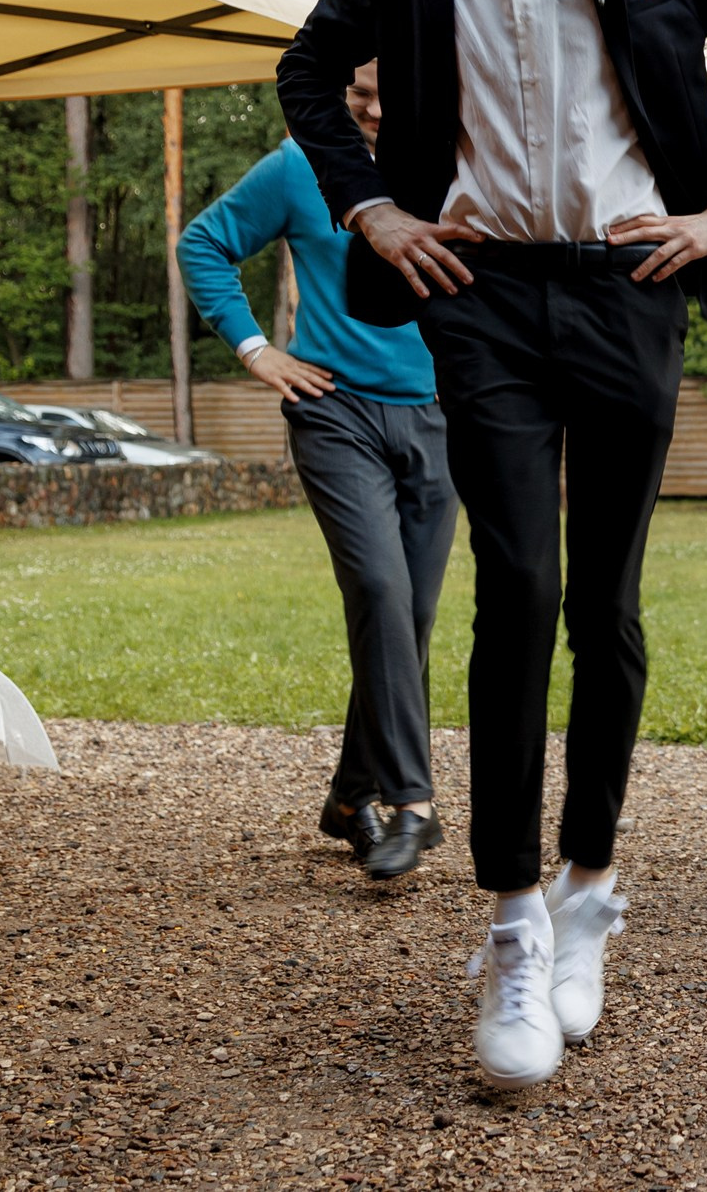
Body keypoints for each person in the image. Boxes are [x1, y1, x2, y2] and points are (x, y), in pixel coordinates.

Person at [274, 0, 707, 1091]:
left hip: (631, 282)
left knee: (607, 604)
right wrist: (376, 209)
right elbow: (305, 74)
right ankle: (513, 921)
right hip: (480, 290)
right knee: (516, 584)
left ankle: (590, 888)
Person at [178, 63, 455, 882]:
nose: (374, 107)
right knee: (380, 589)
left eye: (389, 88)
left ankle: (347, 798)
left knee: (410, 616)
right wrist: (256, 349)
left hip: (441, 417)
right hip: (335, 411)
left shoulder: (452, 164)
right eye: (359, 91)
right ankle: (412, 803)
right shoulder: (301, 163)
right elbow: (203, 243)